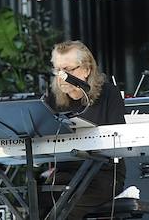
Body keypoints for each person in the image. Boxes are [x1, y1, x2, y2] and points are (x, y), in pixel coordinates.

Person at [43, 41, 125, 220]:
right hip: (66, 175)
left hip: (103, 173)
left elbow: (119, 139)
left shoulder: (109, 94)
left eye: (67, 70)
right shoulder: (52, 99)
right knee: (35, 201)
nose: (61, 77)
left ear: (86, 69)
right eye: (57, 70)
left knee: (67, 210)